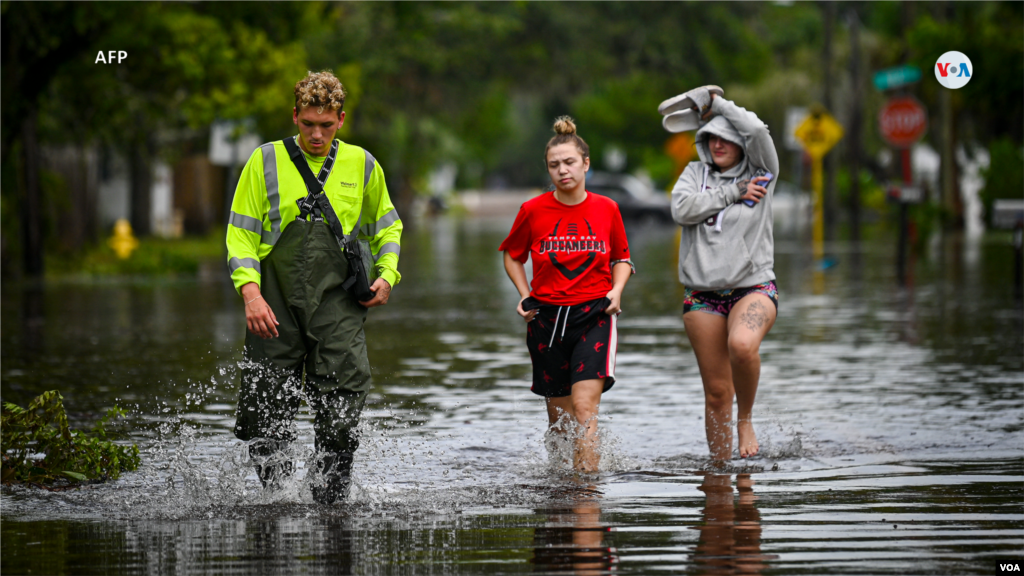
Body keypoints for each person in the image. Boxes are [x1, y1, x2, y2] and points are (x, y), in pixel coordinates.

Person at [225, 71, 402, 503]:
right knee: (263, 412)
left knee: (341, 411)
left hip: (337, 305)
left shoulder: (363, 165)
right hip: (274, 305)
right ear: (295, 117)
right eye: (307, 124)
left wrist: (387, 274)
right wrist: (250, 293)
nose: (316, 134)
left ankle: (331, 503)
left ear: (341, 119)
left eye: (326, 125)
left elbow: (388, 227)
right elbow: (240, 234)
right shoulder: (263, 161)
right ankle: (278, 501)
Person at [500, 116, 634, 474]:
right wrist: (525, 294)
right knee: (560, 421)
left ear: (586, 163)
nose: (563, 170)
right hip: (546, 320)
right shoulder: (533, 210)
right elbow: (512, 255)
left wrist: (617, 291)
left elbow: (622, 258)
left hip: (595, 316)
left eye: (570, 162)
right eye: (554, 165)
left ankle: (585, 495)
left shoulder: (607, 208)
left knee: (585, 407)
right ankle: (561, 488)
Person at [669, 87, 779, 461]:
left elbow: (759, 131)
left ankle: (745, 419)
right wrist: (734, 192)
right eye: (711, 136)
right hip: (702, 294)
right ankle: (719, 473)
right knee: (717, 393)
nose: (718, 143)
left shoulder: (762, 172)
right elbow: (682, 209)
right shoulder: (694, 173)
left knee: (743, 346)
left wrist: (718, 105)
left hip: (753, 286)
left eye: (726, 138)